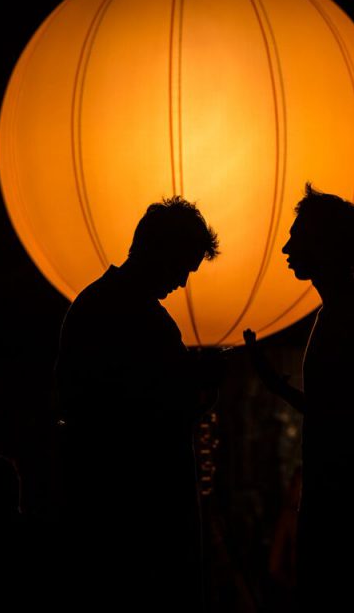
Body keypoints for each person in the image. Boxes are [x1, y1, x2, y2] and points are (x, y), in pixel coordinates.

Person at [245, 184, 354, 610]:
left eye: (297, 235)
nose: (285, 247)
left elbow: (348, 420)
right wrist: (277, 386)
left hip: (352, 520)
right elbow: (341, 412)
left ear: (324, 244)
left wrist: (275, 385)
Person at [55, 196, 220, 610]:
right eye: (183, 267)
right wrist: (200, 392)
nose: (182, 283)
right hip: (136, 522)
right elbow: (149, 418)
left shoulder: (94, 307)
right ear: (160, 252)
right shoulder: (140, 321)